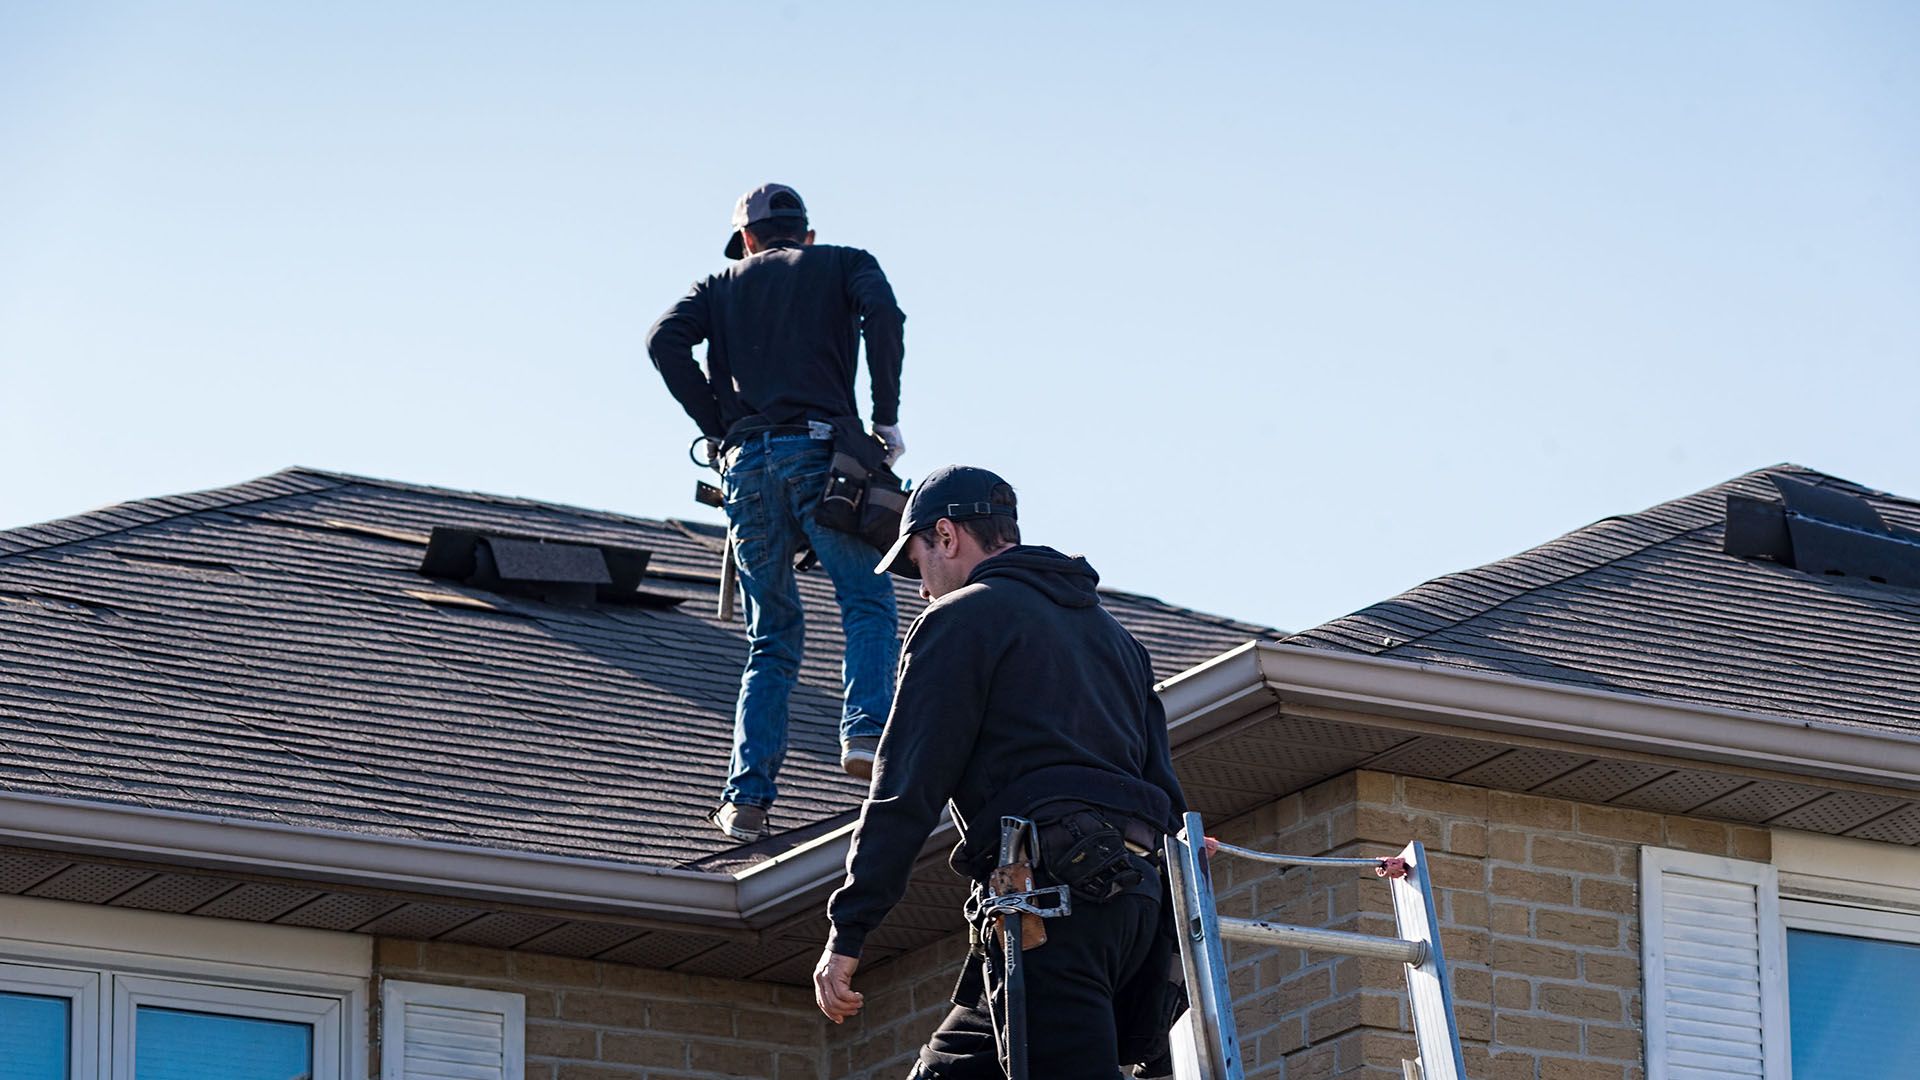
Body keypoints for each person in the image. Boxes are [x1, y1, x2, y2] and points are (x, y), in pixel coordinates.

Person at [813, 465, 1186, 1079]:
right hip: (1133, 909)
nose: (923, 588)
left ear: (947, 535)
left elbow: (906, 789)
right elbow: (1164, 792)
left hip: (1052, 905)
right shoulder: (1117, 638)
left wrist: (848, 932)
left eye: (918, 562)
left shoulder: (961, 619)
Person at [647, 183, 907, 842]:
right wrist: (884, 418)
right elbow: (885, 316)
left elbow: (663, 341)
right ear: (806, 235)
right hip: (821, 456)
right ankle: (867, 734)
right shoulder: (844, 263)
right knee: (867, 600)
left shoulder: (719, 285)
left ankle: (746, 801)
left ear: (750, 240)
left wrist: (720, 422)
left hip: (747, 469)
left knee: (772, 637)